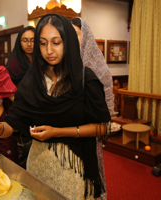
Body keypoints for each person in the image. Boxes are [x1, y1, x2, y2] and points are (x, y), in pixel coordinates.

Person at [0, 14, 111, 200]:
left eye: (56, 42)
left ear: (69, 43)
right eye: (42, 43)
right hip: (38, 164)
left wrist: (57, 132)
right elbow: (15, 122)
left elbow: (101, 127)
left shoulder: (85, 79)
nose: (49, 50)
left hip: (72, 168)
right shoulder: (33, 79)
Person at [70, 17, 114, 200]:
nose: (72, 40)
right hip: (64, 133)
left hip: (90, 132)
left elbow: (105, 114)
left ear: (86, 36)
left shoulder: (98, 68)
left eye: (77, 35)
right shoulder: (62, 65)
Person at [5, 26, 36, 168]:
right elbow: (8, 88)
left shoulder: (41, 59)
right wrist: (22, 104)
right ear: (19, 42)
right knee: (22, 152)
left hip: (39, 108)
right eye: (25, 40)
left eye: (32, 40)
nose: (29, 44)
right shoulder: (14, 62)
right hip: (21, 108)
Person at [70, 17, 114, 114]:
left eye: (76, 34)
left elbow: (105, 97)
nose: (72, 38)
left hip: (94, 116)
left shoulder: (98, 64)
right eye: (69, 34)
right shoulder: (64, 59)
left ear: (85, 36)